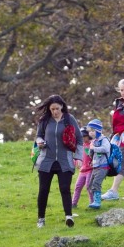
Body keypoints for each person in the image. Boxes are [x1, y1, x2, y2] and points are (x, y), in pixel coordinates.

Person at [34, 94, 83, 228]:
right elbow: (38, 136)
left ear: (62, 106)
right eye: (52, 109)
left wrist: (78, 157)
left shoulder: (69, 119)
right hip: (46, 160)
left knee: (64, 188)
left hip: (65, 160)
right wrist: (40, 142)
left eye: (57, 108)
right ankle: (41, 219)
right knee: (43, 190)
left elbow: (79, 139)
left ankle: (69, 217)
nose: (55, 112)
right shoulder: (44, 120)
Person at [85, 119, 111, 209]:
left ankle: (97, 202)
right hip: (95, 166)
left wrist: (94, 148)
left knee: (96, 183)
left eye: (93, 131)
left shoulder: (104, 139)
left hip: (103, 166)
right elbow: (92, 153)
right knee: (89, 185)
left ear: (98, 130)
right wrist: (90, 153)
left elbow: (106, 149)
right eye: (89, 131)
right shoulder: (94, 140)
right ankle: (94, 200)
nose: (90, 133)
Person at [71, 128, 93, 209]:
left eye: (84, 136)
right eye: (81, 137)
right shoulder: (80, 146)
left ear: (88, 136)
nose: (83, 138)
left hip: (90, 169)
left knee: (88, 186)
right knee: (78, 186)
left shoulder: (92, 144)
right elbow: (77, 157)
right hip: (82, 171)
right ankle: (74, 203)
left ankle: (92, 202)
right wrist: (75, 163)